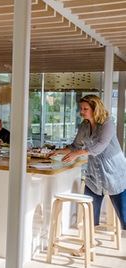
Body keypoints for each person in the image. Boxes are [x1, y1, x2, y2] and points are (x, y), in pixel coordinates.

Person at [48, 94, 126, 232]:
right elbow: (75, 146)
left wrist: (76, 154)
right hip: (94, 177)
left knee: (124, 217)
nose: (81, 112)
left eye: (85, 109)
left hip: (115, 176)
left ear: (95, 109)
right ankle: (87, 247)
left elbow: (100, 146)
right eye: (81, 108)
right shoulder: (84, 126)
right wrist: (58, 152)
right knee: (89, 217)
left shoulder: (108, 124)